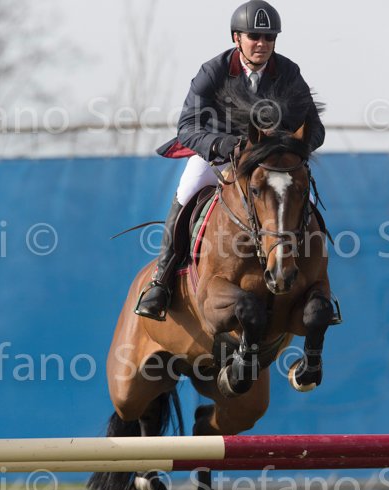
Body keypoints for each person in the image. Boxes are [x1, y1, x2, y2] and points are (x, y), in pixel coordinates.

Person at [135, 0, 325, 321]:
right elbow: (187, 126)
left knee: (300, 200)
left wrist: (287, 147)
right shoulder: (214, 71)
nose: (262, 43)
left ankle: (313, 279)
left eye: (269, 37)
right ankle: (162, 280)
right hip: (220, 156)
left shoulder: (288, 72)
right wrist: (222, 145)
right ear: (236, 37)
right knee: (187, 191)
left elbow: (314, 129)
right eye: (254, 36)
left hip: (267, 161)